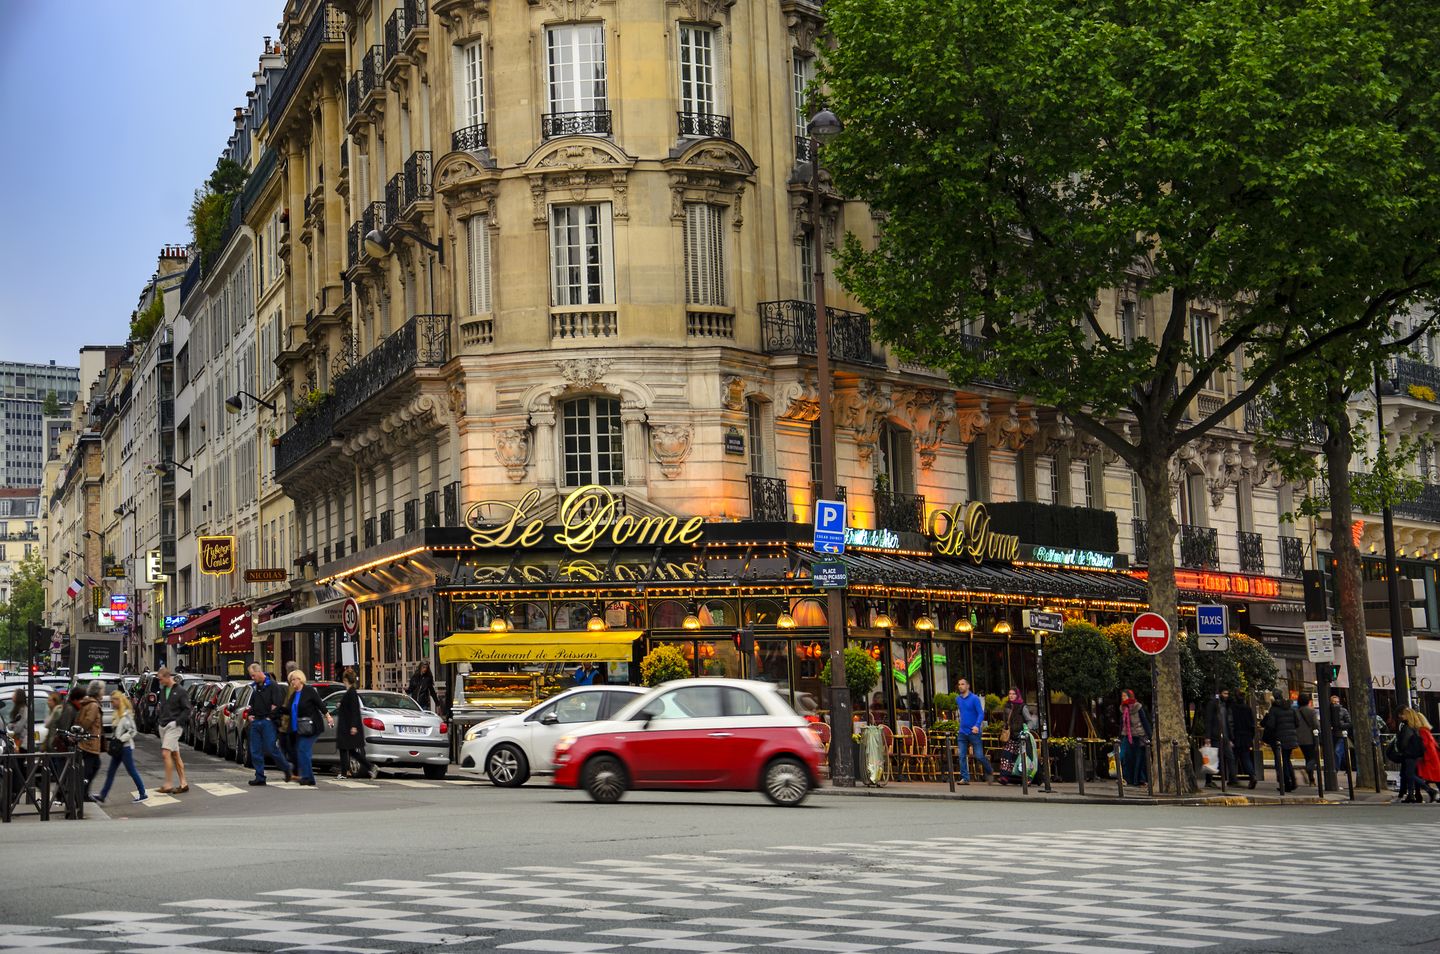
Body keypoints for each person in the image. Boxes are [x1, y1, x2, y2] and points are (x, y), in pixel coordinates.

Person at [95, 692, 147, 804]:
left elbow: (133, 731)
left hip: (125, 748)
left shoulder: (126, 714)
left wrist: (121, 739)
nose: (111, 702)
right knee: (111, 772)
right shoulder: (117, 713)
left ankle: (143, 793)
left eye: (113, 700)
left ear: (119, 700)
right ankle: (102, 795)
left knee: (131, 771)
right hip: (118, 748)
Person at [245, 663, 292, 786]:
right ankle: (260, 776)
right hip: (256, 721)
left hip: (267, 722)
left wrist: (269, 717)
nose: (252, 678)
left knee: (271, 748)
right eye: (251, 676)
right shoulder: (255, 687)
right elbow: (252, 704)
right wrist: (250, 714)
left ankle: (286, 768)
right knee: (255, 750)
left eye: (253, 675)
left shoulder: (273, 686)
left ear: (259, 672)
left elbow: (277, 704)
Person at [283, 669, 331, 786]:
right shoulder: (294, 695)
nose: (292, 682)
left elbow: (320, 704)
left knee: (302, 750)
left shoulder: (309, 691)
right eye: (291, 680)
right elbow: (288, 710)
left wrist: (328, 716)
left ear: (300, 679)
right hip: (299, 729)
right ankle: (309, 778)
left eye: (294, 680)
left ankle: (307, 777)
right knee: (303, 752)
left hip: (311, 727)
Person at [153, 668, 190, 795]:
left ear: (167, 676)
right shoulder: (163, 690)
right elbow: (162, 707)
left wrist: (177, 722)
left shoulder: (180, 691)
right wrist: (160, 721)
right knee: (175, 755)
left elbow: (187, 709)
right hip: (163, 725)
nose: (160, 681)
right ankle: (184, 783)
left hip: (174, 726)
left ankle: (168, 784)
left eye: (161, 679)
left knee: (165, 753)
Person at [334, 669, 374, 779]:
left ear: (345, 679)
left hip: (347, 726)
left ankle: (344, 773)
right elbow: (350, 707)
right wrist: (341, 705)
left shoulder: (351, 692)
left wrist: (353, 726)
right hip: (347, 725)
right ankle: (370, 767)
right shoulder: (350, 692)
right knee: (351, 750)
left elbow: (355, 710)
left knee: (344, 748)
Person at [954, 678, 992, 785]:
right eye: (959, 684)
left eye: (962, 684)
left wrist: (977, 725)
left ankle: (989, 770)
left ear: (968, 686)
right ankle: (965, 778)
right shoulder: (958, 699)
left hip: (974, 731)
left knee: (979, 756)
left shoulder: (974, 698)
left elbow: (980, 713)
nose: (960, 686)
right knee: (961, 755)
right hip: (962, 731)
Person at [1260, 690, 1299, 792]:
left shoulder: (1274, 709)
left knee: (1281, 761)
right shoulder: (1290, 708)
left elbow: (1270, 725)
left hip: (1278, 739)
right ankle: (1293, 781)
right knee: (1287, 759)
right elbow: (1297, 723)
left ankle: (1286, 783)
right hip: (1290, 738)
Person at [996, 687, 1035, 785]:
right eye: (1010, 694)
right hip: (1010, 736)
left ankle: (1027, 777)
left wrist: (1026, 731)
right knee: (1006, 755)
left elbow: (1030, 721)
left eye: (1013, 694)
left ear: (1017, 695)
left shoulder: (1022, 706)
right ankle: (1004, 776)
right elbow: (1006, 721)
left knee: (1022, 758)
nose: (1011, 696)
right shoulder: (1007, 706)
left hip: (1021, 737)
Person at [72, 684, 103, 801]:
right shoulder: (93, 705)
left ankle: (83, 793)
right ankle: (82, 794)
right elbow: (88, 721)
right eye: (102, 690)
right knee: (89, 769)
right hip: (90, 742)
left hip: (89, 742)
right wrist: (83, 732)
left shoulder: (89, 703)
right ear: (97, 691)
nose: (103, 693)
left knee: (93, 767)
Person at [1202, 689, 1236, 786]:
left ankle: (1233, 779)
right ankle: (1209, 781)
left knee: (1230, 757)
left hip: (1224, 736)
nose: (1227, 695)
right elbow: (1208, 721)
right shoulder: (1213, 704)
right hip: (1215, 736)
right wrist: (1208, 737)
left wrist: (1230, 737)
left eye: (1227, 693)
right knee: (1212, 758)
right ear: (1220, 693)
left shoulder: (1224, 705)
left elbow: (1227, 722)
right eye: (1225, 693)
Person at [1118, 689, 1151, 787]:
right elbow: (1122, 724)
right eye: (1122, 696)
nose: (1123, 698)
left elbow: (1144, 721)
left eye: (1125, 696)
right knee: (1123, 756)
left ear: (1130, 696)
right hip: (1127, 735)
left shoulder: (1138, 707)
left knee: (1138, 759)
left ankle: (1139, 780)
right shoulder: (1123, 708)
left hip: (1138, 735)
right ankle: (1126, 778)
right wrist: (1119, 736)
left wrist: (1149, 735)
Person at [1393, 708, 1426, 803]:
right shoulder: (1416, 727)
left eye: (1402, 714)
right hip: (1415, 754)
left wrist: (1401, 750)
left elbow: (1404, 742)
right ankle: (1414, 794)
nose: (1400, 716)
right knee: (1411, 774)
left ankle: (1428, 790)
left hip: (1409, 754)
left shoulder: (1407, 727)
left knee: (1410, 774)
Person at [1407, 709, 1440, 803]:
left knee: (1430, 777)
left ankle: (1427, 791)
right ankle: (1423, 792)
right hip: (1432, 756)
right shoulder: (1426, 730)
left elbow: (1425, 745)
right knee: (1436, 777)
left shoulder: (1422, 731)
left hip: (1428, 758)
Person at [1231, 694, 1258, 788]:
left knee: (1233, 759)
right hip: (1246, 737)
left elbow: (1231, 723)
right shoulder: (1248, 709)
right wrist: (1251, 737)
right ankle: (1252, 776)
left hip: (1236, 736)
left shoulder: (1233, 709)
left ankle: (1233, 779)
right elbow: (1252, 725)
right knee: (1246, 758)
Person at [1296, 693, 1320, 787]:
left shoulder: (1296, 711)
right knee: (1313, 758)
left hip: (1299, 738)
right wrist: (1318, 732)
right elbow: (1315, 724)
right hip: (1310, 738)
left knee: (1308, 757)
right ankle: (1308, 770)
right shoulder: (1311, 711)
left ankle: (1311, 779)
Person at [1330, 693, 1353, 772]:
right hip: (1333, 735)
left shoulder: (1343, 710)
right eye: (1334, 702)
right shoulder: (1329, 711)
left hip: (1341, 734)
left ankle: (1335, 769)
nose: (1336, 703)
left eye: (1337, 702)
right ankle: (1347, 767)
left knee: (1337, 751)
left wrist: (1340, 724)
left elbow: (1349, 723)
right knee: (1341, 753)